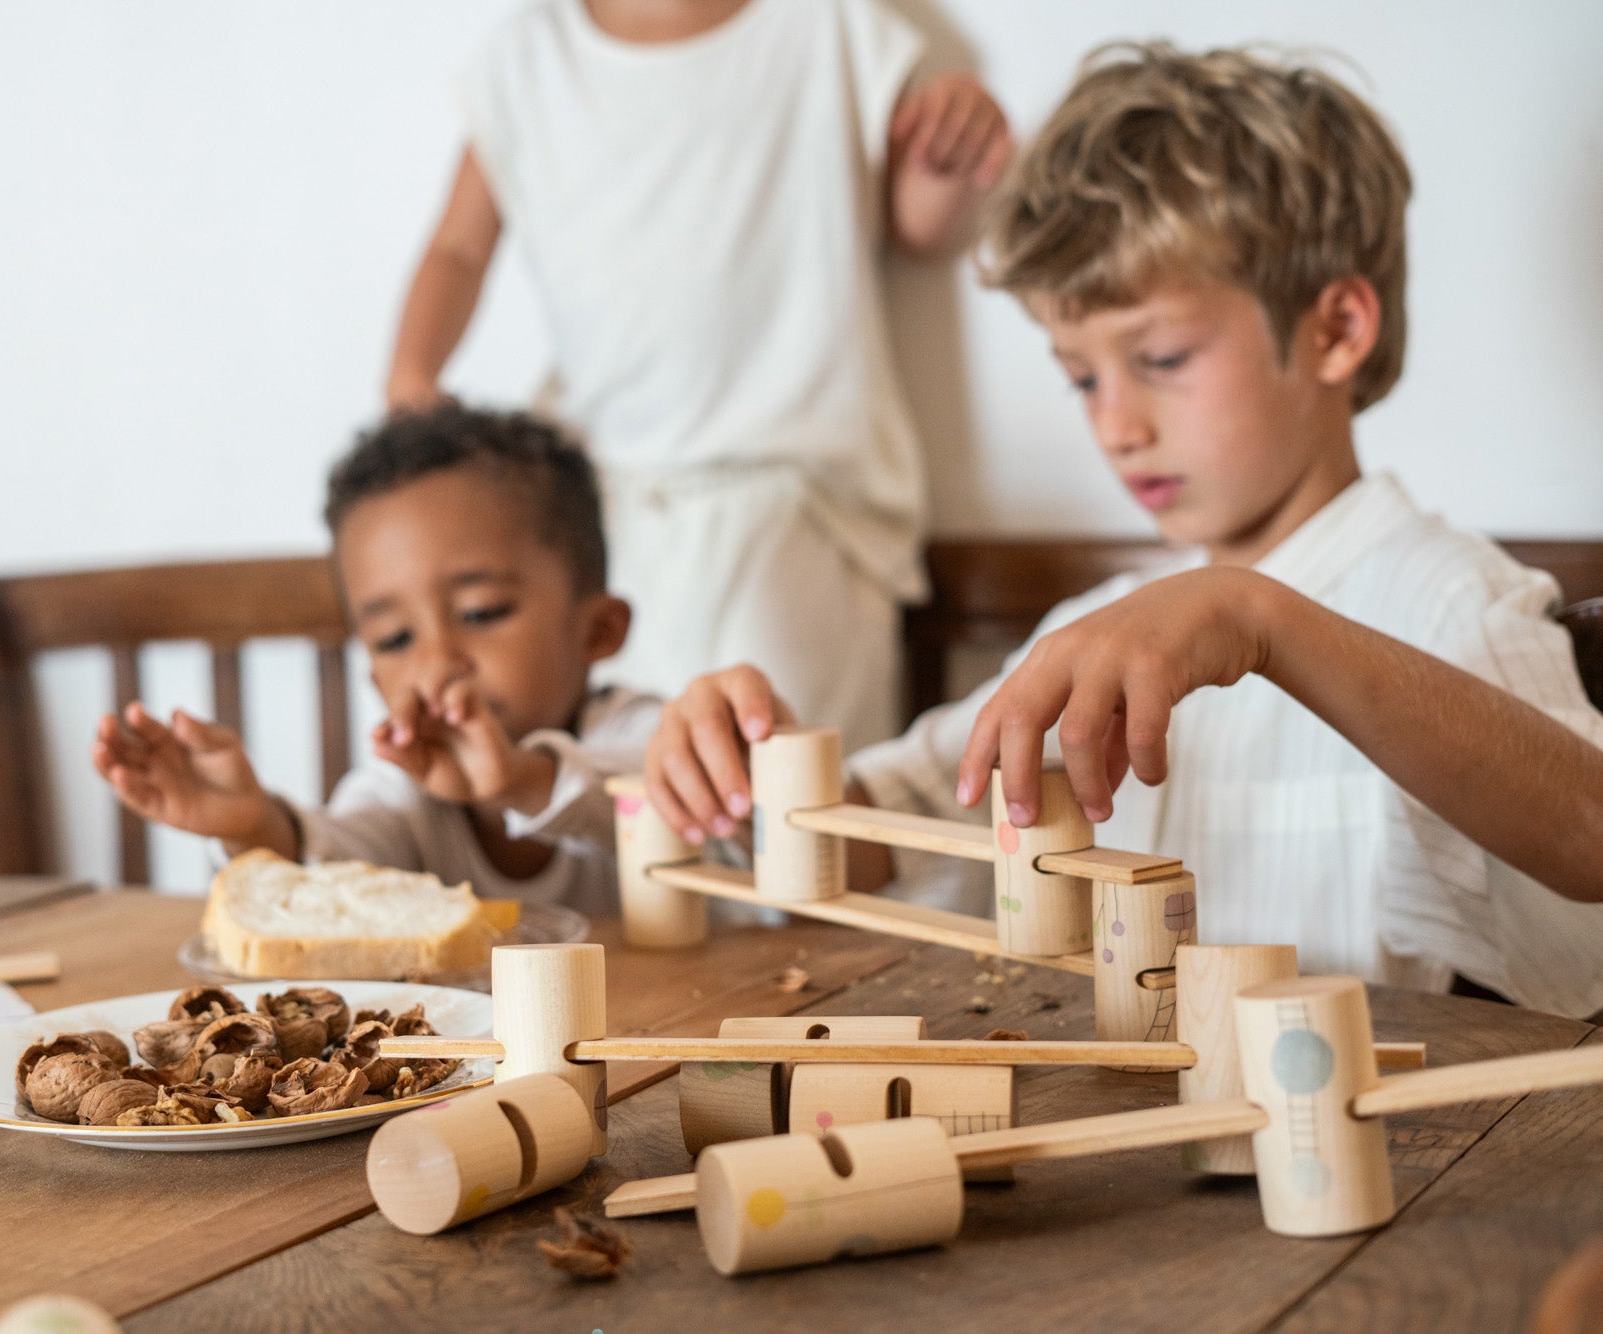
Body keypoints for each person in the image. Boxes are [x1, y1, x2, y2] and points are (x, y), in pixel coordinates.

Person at [640, 43, 1603, 1018]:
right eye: (1081, 376)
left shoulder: (1439, 596)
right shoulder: (1096, 627)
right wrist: (744, 773)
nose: (1114, 424)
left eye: (1161, 356)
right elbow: (901, 825)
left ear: (1335, 328)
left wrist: (1262, 618)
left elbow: (1588, 831)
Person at [384, 0, 1011, 750]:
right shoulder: (528, 54)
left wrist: (948, 153)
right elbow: (457, 247)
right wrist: (410, 376)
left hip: (795, 496)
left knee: (793, 794)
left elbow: (916, 230)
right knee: (619, 802)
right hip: (604, 513)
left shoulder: (824, 23)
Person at [93, 404, 657, 913]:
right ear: (373, 675)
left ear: (599, 629)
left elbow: (676, 811)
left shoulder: (645, 739)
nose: (438, 661)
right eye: (394, 639)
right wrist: (255, 827)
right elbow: (332, 875)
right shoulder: (401, 793)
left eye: (481, 612)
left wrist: (522, 780)